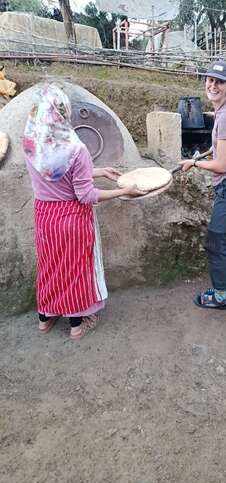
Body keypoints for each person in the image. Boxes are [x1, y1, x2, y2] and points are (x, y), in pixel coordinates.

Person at [23, 83, 145, 339]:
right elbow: (86, 195)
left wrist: (99, 171)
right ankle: (77, 326)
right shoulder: (76, 149)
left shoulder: (31, 143)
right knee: (74, 271)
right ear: (64, 112)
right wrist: (125, 191)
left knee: (50, 268)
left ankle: (44, 320)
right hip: (71, 218)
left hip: (45, 217)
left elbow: (56, 174)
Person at [180, 61, 226, 309]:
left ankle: (221, 296)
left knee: (216, 239)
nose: (212, 85)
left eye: (219, 82)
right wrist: (206, 152)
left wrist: (194, 164)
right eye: (209, 80)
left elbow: (221, 165)